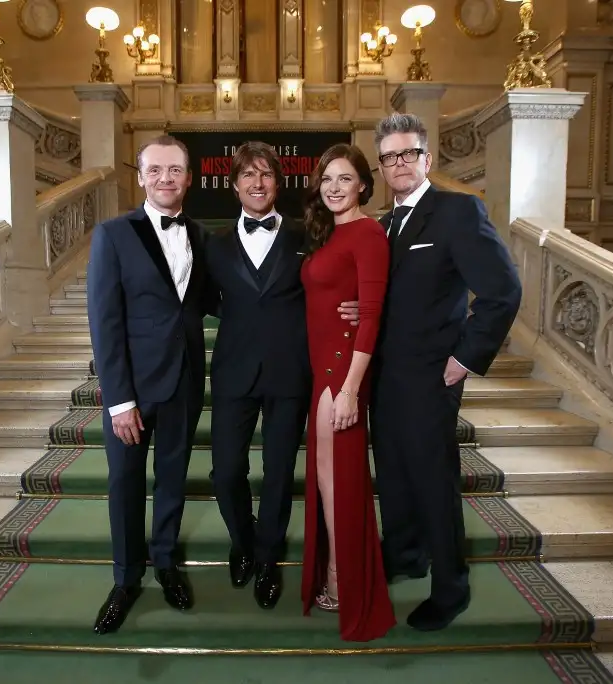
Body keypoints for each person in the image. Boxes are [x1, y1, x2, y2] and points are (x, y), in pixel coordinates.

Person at [369, 112, 522, 631]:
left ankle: (450, 586)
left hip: (434, 374)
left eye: (408, 153)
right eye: (390, 157)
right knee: (392, 473)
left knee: (433, 481)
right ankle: (407, 554)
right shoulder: (382, 224)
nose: (400, 164)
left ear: (427, 159)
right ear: (382, 166)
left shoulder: (458, 212)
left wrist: (465, 358)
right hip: (385, 376)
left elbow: (502, 292)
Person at [206, 141, 359, 609]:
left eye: (266, 175)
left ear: (278, 181)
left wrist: (351, 306)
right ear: (234, 186)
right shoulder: (214, 245)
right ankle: (243, 542)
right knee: (225, 470)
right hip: (233, 372)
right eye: (248, 176)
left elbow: (331, 282)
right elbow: (205, 302)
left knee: (277, 474)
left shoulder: (306, 235)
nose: (257, 184)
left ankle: (268, 559)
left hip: (291, 372)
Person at [86, 135, 213, 635]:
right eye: (156, 170)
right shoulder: (112, 234)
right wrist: (119, 400)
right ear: (140, 177)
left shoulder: (201, 236)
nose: (166, 178)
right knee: (125, 484)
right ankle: (125, 579)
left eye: (175, 170)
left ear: (189, 177)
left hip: (183, 382)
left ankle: (165, 563)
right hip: (131, 390)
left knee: (174, 480)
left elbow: (221, 299)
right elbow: (105, 322)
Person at [299, 143, 396, 642]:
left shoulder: (369, 233)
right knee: (326, 481)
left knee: (338, 483)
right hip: (323, 372)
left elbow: (372, 315)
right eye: (327, 179)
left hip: (341, 376)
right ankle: (337, 572)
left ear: (362, 183)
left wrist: (351, 390)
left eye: (344, 178)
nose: (333, 187)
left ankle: (344, 580)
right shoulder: (330, 233)